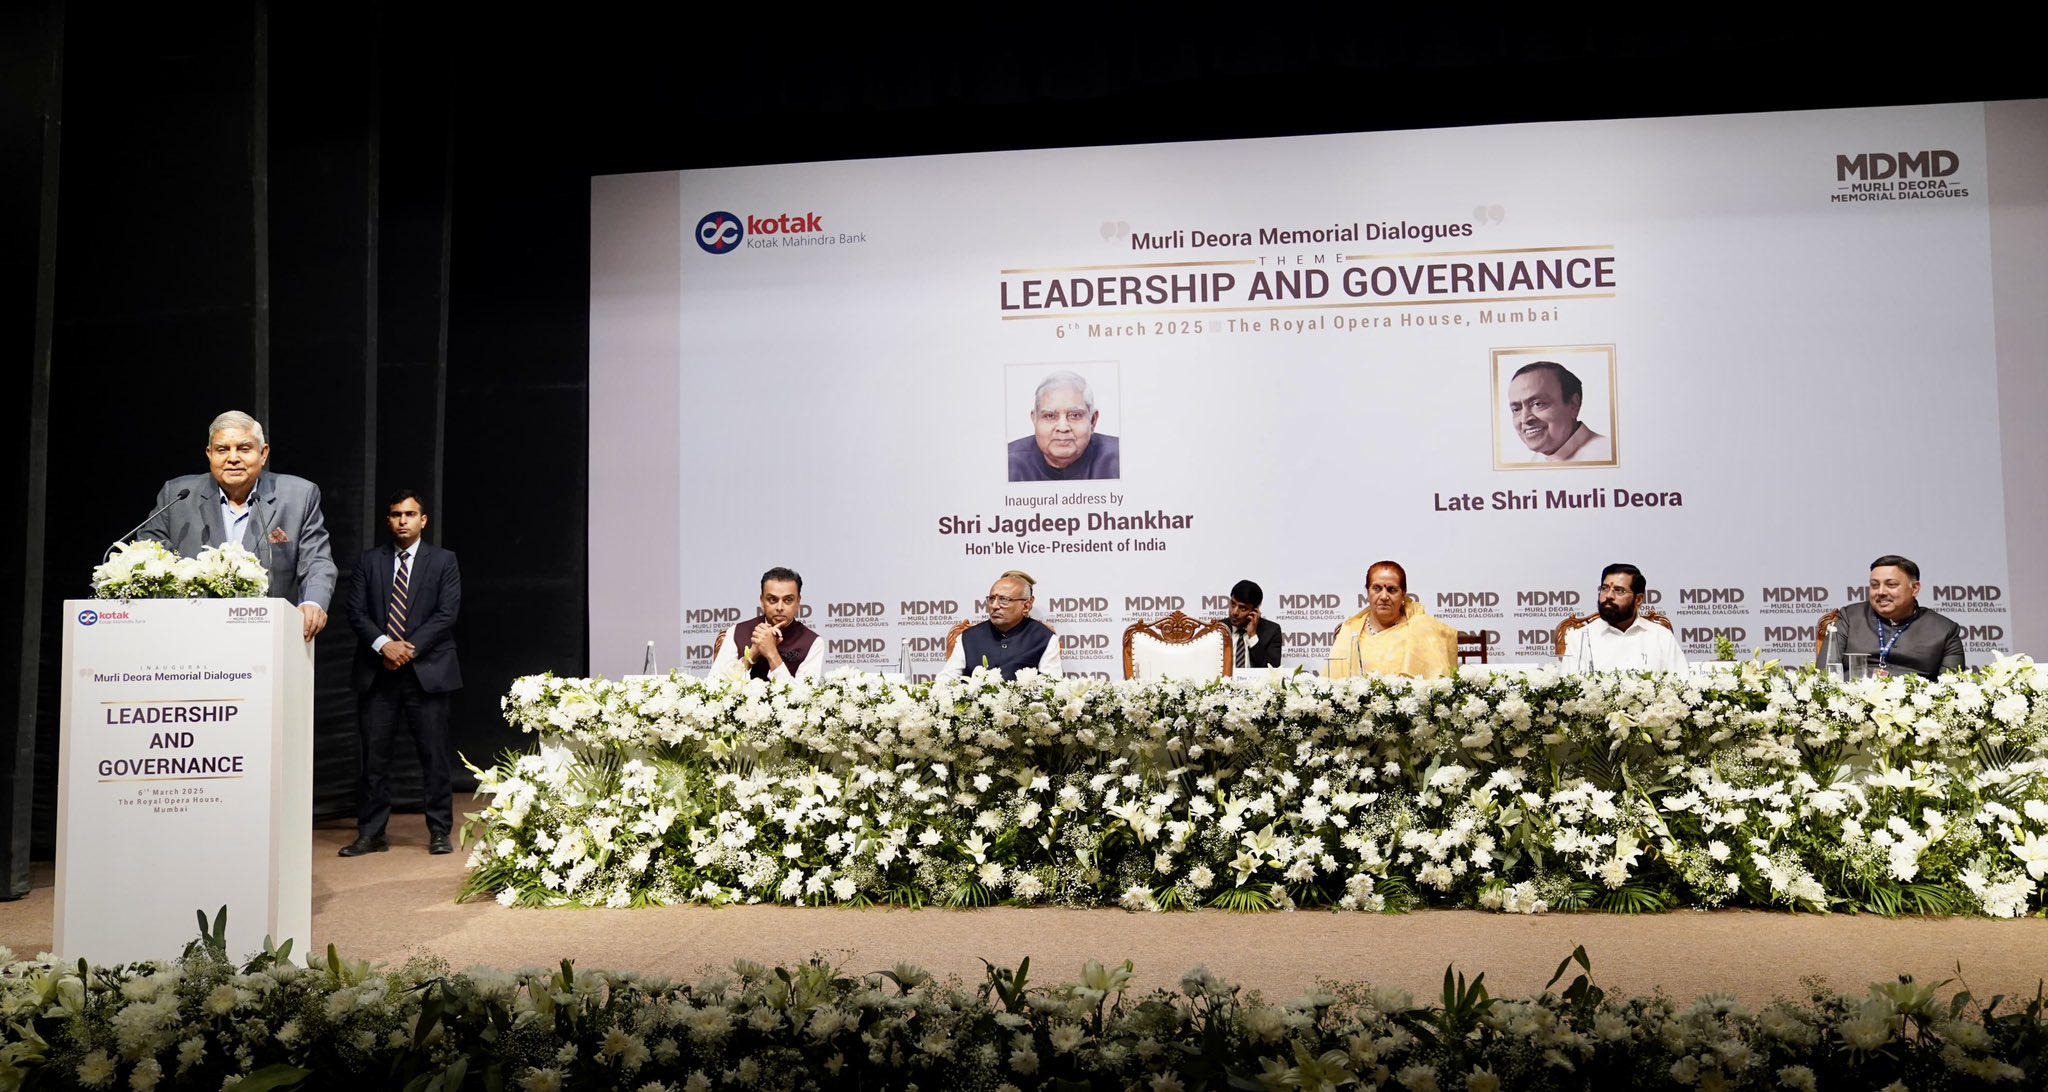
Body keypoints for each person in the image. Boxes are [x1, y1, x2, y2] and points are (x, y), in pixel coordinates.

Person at [138, 410, 335, 640]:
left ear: (263, 454)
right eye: (222, 449)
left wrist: (313, 602)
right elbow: (147, 552)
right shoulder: (178, 495)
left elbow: (317, 562)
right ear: (209, 454)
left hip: (269, 636)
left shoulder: (299, 496)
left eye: (244, 448)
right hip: (191, 634)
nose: (233, 458)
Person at [341, 490, 462, 857]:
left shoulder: (444, 561)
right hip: (378, 673)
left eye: (410, 514)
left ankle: (439, 830)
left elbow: (446, 613)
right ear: (388, 520)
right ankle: (372, 833)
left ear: (423, 520)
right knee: (374, 760)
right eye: (396, 514)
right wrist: (384, 645)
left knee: (435, 757)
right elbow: (356, 612)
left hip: (427, 671)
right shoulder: (368, 561)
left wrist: (406, 649)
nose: (403, 520)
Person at [1820, 554, 1964, 679]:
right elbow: (1824, 673)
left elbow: (1951, 689)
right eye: (1875, 585)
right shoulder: (1850, 617)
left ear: (1915, 589)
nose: (1881, 592)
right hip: (1853, 704)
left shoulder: (1944, 630)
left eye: (1891, 584)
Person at [1327, 561, 1459, 679]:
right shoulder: (1350, 631)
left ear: (1403, 593)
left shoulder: (1421, 629)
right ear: (1367, 592)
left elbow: (1437, 681)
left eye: (1392, 590)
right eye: (1377, 588)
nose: (1384, 596)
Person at [1561, 563, 1688, 673]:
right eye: (1604, 588)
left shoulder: (1661, 637)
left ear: (1638, 600)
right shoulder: (1581, 637)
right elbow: (1569, 692)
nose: (1609, 596)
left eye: (1619, 590)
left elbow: (1681, 685)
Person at [708, 567, 823, 682]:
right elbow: (713, 686)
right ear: (762, 601)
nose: (779, 607)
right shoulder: (736, 632)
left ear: (798, 601)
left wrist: (772, 653)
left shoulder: (813, 642)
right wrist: (751, 655)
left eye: (788, 600)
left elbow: (804, 697)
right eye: (772, 599)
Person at [945, 570, 1062, 679]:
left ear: (1027, 606)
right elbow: (947, 679)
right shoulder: (968, 637)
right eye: (991, 599)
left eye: (1004, 600)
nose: (994, 606)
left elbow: (1051, 688)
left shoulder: (1044, 638)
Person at [1007, 370, 1121, 481]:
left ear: (1093, 421)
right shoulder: (1008, 462)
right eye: (1049, 416)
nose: (1062, 428)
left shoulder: (1121, 457)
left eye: (1075, 415)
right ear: (1034, 420)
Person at [1505, 361, 1611, 463]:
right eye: (1516, 409)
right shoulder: (1537, 460)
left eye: (1538, 404)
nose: (1524, 419)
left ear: (1574, 405)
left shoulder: (1609, 455)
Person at [1226, 579, 1284, 669]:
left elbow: (1273, 670)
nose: (1234, 612)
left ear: (1255, 611)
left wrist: (1253, 636)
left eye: (1243, 608)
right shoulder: (1219, 628)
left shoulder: (1271, 630)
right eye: (1233, 604)